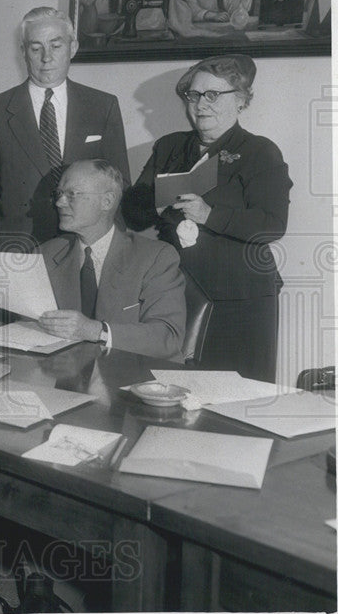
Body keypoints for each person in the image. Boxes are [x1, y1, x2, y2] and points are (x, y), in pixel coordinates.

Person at [122, 54, 291, 382]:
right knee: (172, 390)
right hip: (174, 290)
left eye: (213, 95)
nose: (201, 104)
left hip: (240, 295)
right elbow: (132, 211)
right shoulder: (170, 146)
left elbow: (273, 224)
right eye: (194, 95)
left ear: (241, 101)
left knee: (235, 397)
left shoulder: (260, 151)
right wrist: (155, 206)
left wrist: (210, 215)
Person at [0, 6, 129, 250]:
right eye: (35, 48)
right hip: (19, 250)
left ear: (72, 47)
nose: (46, 57)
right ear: (23, 52)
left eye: (56, 45)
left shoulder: (102, 106)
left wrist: (114, 250)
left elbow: (118, 186)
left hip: (86, 246)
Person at [34, 160, 186, 360]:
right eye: (59, 193)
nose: (59, 202)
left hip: (132, 376)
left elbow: (168, 337)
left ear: (106, 201)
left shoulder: (156, 257)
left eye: (72, 194)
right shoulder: (46, 254)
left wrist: (97, 331)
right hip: (64, 377)